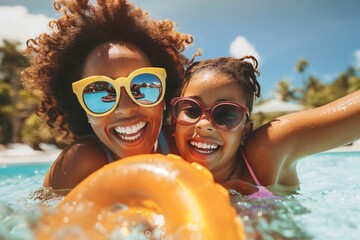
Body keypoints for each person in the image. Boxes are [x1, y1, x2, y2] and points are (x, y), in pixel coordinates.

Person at [21, 0, 192, 191]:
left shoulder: (186, 146)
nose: (126, 107)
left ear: (164, 95)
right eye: (100, 90)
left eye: (142, 85)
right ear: (82, 108)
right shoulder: (80, 166)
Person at [171, 56, 360, 198]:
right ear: (173, 121)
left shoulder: (267, 152)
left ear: (245, 130)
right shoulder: (162, 156)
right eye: (191, 109)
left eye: (226, 114)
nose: (204, 125)